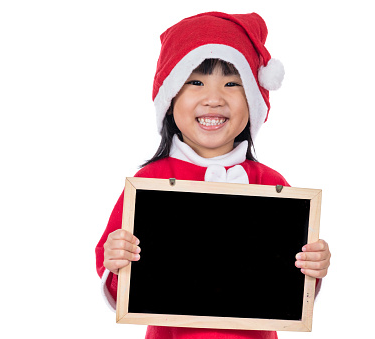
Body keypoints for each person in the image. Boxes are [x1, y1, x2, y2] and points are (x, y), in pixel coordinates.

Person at [95, 11, 331, 339]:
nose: (213, 98)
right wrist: (117, 261)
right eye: (196, 81)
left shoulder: (271, 184)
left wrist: (313, 268)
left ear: (252, 100)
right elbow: (119, 284)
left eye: (232, 83)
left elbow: (291, 284)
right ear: (171, 97)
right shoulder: (150, 181)